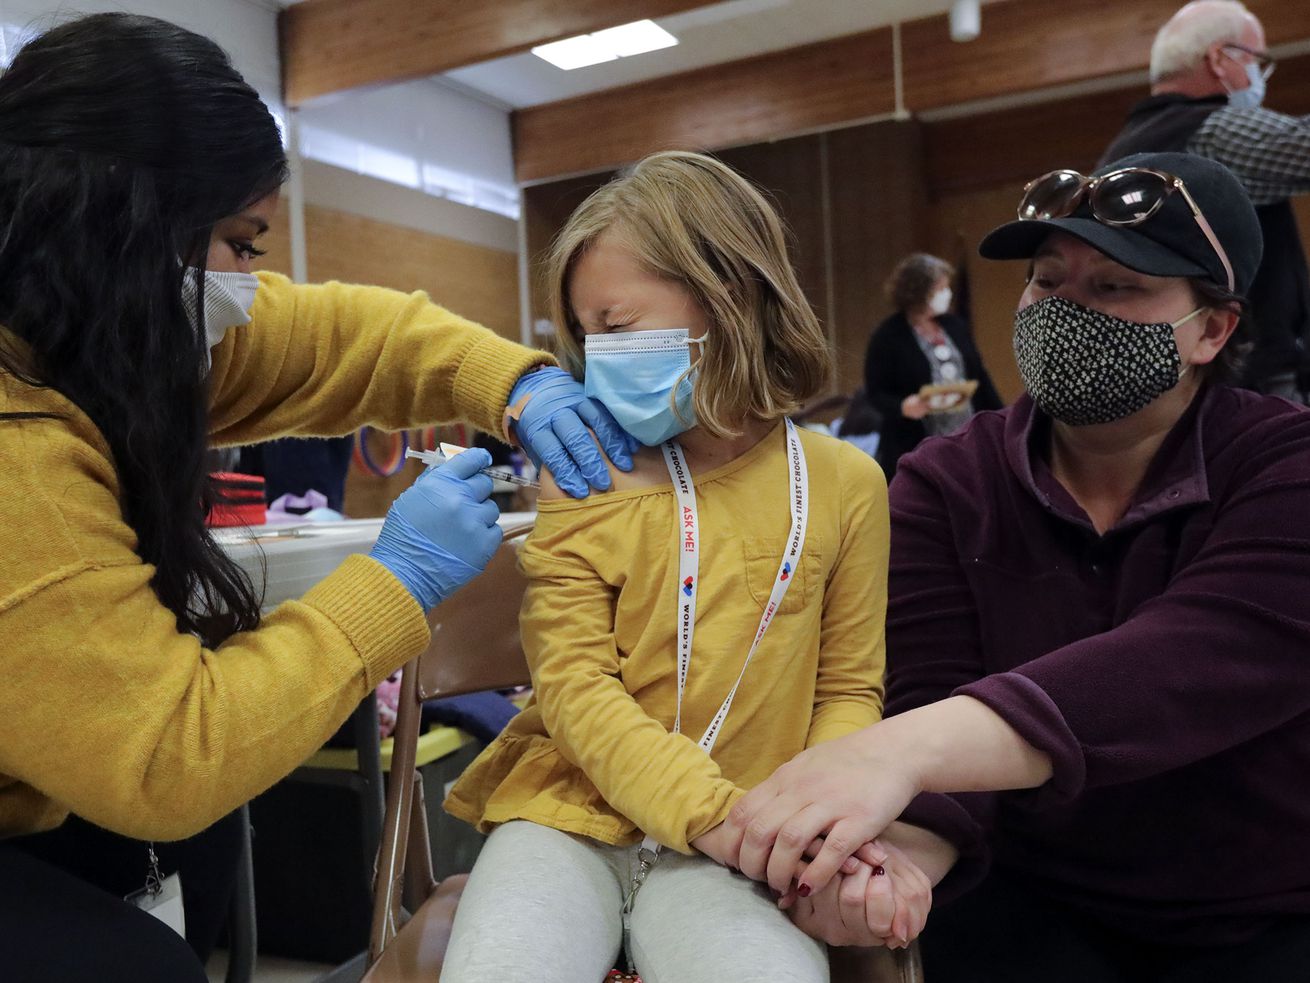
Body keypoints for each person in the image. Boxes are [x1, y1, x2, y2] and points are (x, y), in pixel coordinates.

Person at [0, 14, 634, 980]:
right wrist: (397, 581)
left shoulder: (96, 331)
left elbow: (349, 337)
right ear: (123, 227)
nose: (251, 285)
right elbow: (168, 753)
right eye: (240, 246)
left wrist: (510, 378)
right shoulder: (22, 451)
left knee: (200, 844)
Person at [719, 151, 1310, 981]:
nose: (1067, 309)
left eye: (1115, 287)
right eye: (1048, 280)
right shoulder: (946, 481)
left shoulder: (1285, 463)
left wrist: (899, 752)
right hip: (1031, 900)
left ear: (1213, 329)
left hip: (1254, 910)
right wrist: (900, 864)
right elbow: (928, 686)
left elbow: (1197, 657)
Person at [440, 151, 930, 983]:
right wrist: (714, 816)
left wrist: (816, 824)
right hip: (571, 820)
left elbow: (849, 688)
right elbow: (573, 687)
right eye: (584, 335)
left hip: (748, 835)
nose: (598, 358)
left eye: (619, 326)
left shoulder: (845, 483)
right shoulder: (585, 469)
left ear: (729, 293)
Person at [1100, 0, 1310, 403]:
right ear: (1220, 58)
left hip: (1170, 379)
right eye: (1257, 60)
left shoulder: (1127, 145)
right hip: (1247, 380)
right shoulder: (1212, 130)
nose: (1259, 75)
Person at [863, 253, 1001, 481]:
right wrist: (903, 406)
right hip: (915, 438)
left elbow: (979, 376)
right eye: (940, 288)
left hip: (965, 434)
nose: (947, 294)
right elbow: (875, 392)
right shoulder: (888, 335)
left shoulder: (954, 325)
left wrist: (1000, 417)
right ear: (919, 291)